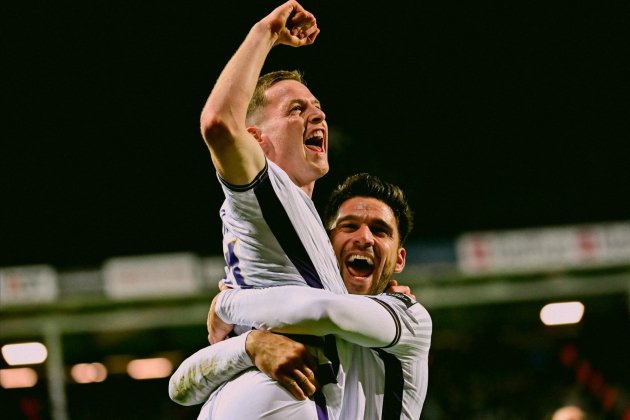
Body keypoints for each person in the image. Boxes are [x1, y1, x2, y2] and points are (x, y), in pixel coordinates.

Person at [188, 1, 347, 418]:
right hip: (275, 396)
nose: (318, 113)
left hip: (264, 391)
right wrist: (266, 32)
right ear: (256, 139)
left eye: (317, 107)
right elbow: (219, 124)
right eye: (296, 109)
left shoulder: (296, 215)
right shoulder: (268, 188)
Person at [170, 173, 433, 419]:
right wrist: (250, 346)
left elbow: (328, 311)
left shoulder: (410, 317)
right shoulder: (292, 315)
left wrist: (227, 303)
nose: (364, 238)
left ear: (399, 260)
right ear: (327, 247)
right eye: (349, 226)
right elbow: (180, 389)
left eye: (380, 230)